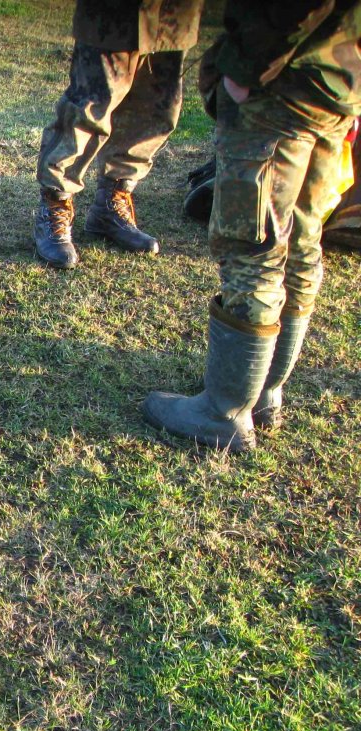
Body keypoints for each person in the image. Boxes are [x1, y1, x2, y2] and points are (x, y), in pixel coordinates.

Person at [144, 1, 361, 452]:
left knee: (252, 247)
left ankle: (223, 412)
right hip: (338, 82)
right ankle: (264, 394)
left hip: (281, 86)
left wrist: (244, 69)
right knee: (302, 239)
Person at [34, 0, 204, 269]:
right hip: (113, 12)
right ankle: (56, 203)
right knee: (90, 103)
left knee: (155, 106)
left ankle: (113, 200)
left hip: (172, 13)